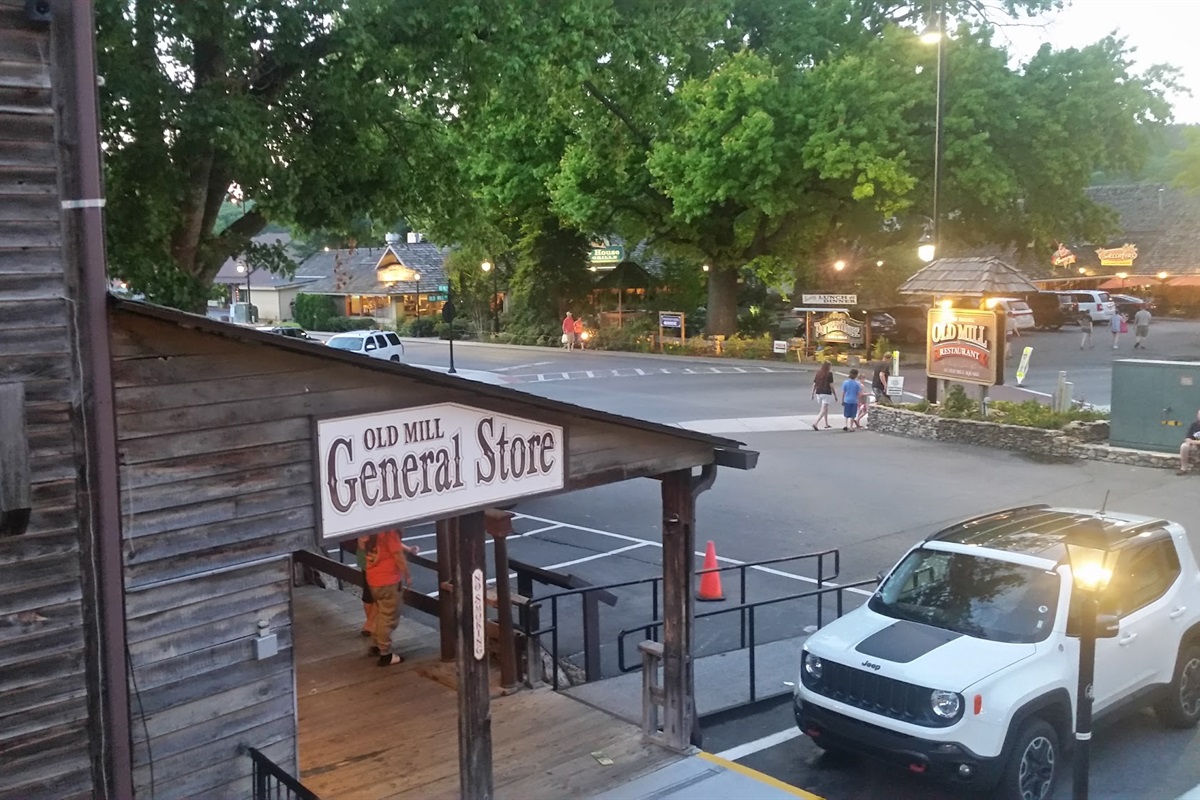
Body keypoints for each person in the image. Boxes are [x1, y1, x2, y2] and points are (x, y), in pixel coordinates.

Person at [363, 528, 420, 666]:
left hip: (373, 579)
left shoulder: (369, 531)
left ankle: (376, 644)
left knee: (380, 613)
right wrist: (407, 575)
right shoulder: (389, 532)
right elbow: (397, 554)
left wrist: (407, 548)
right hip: (388, 580)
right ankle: (385, 653)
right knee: (389, 617)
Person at [355, 536, 376, 637]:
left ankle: (370, 624)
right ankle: (370, 623)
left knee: (368, 592)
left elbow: (362, 541)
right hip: (376, 560)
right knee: (382, 594)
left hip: (366, 560)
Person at [810, 362, 838, 430]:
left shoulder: (818, 373)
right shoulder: (829, 374)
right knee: (823, 409)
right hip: (826, 392)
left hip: (818, 392)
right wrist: (835, 395)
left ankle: (826, 423)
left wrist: (812, 393)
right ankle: (815, 423)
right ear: (828, 367)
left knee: (826, 408)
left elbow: (815, 384)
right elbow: (831, 385)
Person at [1178, 410, 1200, 476]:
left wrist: (1193, 442)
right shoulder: (1194, 425)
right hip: (1195, 446)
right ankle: (1183, 468)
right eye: (1199, 414)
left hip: (1195, 444)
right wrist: (1191, 442)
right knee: (1184, 446)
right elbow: (1187, 438)